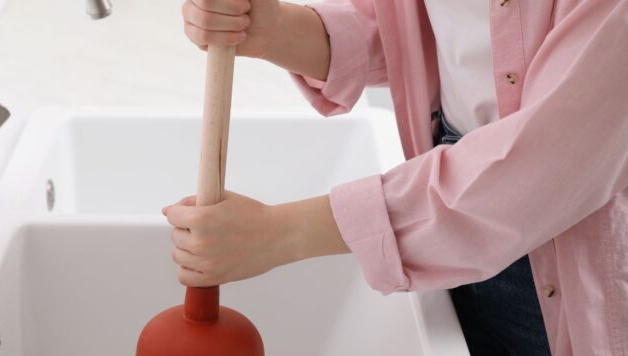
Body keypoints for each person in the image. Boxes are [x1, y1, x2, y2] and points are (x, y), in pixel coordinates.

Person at [163, 0, 628, 355]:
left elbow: (542, 168)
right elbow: (417, 32)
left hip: (575, 239)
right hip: (443, 212)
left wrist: (280, 233)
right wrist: (278, 31)